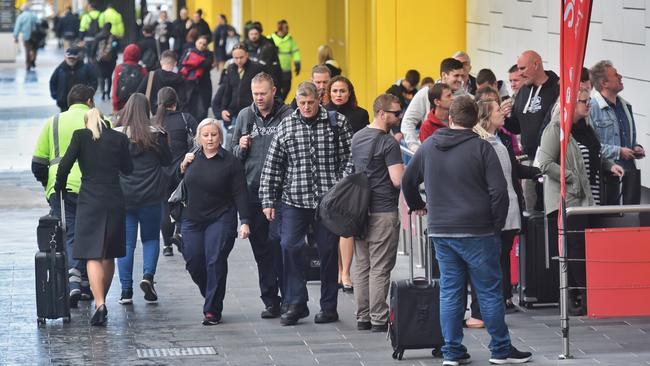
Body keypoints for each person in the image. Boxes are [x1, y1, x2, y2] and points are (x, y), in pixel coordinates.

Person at [401, 95, 533, 365]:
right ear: (475, 121)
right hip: (479, 231)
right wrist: (495, 225)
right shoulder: (483, 148)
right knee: (488, 292)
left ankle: (452, 352)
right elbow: (499, 193)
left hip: (441, 231)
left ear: (450, 118)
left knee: (450, 291)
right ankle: (500, 350)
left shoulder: (429, 147)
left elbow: (407, 180)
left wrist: (419, 206)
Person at [259, 81, 353, 326]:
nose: (307, 107)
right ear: (297, 103)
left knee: (328, 251)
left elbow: (350, 158)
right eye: (302, 103)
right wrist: (268, 200)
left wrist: (339, 185)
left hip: (328, 201)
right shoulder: (286, 125)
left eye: (311, 102)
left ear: (319, 99)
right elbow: (273, 166)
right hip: (294, 199)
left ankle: (329, 306)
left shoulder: (337, 123)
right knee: (289, 246)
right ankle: (296, 302)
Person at [538, 88, 624, 316]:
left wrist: (608, 165)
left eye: (587, 101)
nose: (588, 105)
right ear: (569, 104)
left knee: (586, 249)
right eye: (583, 101)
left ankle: (586, 294)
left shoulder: (587, 129)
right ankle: (576, 295)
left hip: (590, 199)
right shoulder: (556, 128)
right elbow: (545, 163)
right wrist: (570, 177)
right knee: (575, 249)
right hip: (568, 201)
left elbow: (593, 156)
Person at [54, 108, 133, 326]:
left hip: (89, 200)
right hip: (113, 198)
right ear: (105, 122)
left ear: (87, 122)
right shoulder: (119, 138)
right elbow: (128, 169)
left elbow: (65, 165)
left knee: (92, 254)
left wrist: (59, 187)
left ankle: (100, 303)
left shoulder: (80, 136)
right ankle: (102, 300)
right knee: (109, 254)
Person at [469, 92, 541, 325]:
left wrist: (538, 171)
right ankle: (485, 307)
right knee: (491, 259)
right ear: (487, 117)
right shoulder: (480, 142)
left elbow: (514, 169)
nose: (503, 112)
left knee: (502, 255)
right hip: (494, 211)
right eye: (498, 110)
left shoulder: (502, 140)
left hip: (510, 207)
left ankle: (500, 301)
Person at [230, 72, 292, 318]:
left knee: (280, 244)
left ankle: (289, 297)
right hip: (252, 192)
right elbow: (232, 156)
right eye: (255, 94)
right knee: (261, 250)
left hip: (280, 192)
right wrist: (240, 146)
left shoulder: (287, 116)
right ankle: (270, 299)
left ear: (274, 91)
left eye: (263, 94)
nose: (259, 99)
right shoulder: (245, 116)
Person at [179, 118, 251, 325]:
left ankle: (212, 309)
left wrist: (244, 221)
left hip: (221, 218)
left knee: (215, 260)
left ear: (221, 136)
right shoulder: (192, 157)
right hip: (192, 219)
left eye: (214, 134)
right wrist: (183, 166)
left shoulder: (231, 162)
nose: (210, 139)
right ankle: (212, 293)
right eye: (206, 135)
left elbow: (240, 193)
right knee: (194, 262)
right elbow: (175, 182)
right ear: (199, 137)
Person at [33, 85, 97, 308]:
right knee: (91, 234)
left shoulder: (53, 122)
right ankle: (86, 283)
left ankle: (74, 282)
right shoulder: (99, 119)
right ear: (89, 101)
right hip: (93, 185)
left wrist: (48, 185)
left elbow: (38, 163)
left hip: (61, 187)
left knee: (70, 234)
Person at [351, 94, 404, 332]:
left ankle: (363, 317)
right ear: (382, 114)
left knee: (362, 265)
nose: (399, 116)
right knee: (381, 267)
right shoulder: (389, 142)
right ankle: (379, 318)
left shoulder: (358, 137)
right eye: (395, 112)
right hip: (383, 210)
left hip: (360, 210)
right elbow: (397, 180)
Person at [114, 93, 172, 305]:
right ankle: (148, 277)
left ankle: (126, 291)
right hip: (151, 195)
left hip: (124, 196)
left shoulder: (116, 135)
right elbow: (167, 160)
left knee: (126, 245)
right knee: (150, 239)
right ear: (147, 110)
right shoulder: (157, 134)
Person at [323, 75, 369, 292]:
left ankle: (345, 272)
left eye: (342, 91)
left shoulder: (360, 115)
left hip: (352, 175)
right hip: (327, 174)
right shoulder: (322, 113)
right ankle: (338, 271)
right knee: (331, 226)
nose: (338, 95)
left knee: (346, 225)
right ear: (329, 93)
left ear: (350, 92)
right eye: (335, 91)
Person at [504, 50, 560, 212]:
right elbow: (516, 127)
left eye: (522, 69)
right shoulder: (523, 91)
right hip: (530, 161)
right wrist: (504, 119)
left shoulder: (556, 88)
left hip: (553, 161)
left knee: (551, 209)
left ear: (536, 65)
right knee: (532, 210)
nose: (520, 74)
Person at [589, 60, 645, 205]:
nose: (620, 76)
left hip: (630, 174)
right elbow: (591, 147)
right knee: (611, 221)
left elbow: (626, 139)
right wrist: (618, 151)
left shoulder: (626, 106)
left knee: (632, 220)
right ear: (604, 83)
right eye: (615, 74)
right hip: (608, 175)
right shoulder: (592, 108)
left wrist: (636, 147)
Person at [153, 87, 198, 257]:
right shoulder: (185, 119)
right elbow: (198, 140)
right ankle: (179, 232)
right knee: (183, 202)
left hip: (160, 172)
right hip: (183, 168)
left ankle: (166, 245)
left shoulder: (153, 123)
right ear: (175, 102)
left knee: (165, 206)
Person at [401, 57, 466, 152]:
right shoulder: (426, 93)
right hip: (431, 154)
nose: (460, 79)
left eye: (462, 76)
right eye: (456, 75)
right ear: (444, 75)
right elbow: (408, 121)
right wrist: (415, 148)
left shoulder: (466, 98)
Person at [216, 43, 264, 126]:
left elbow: (264, 90)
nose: (239, 60)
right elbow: (227, 91)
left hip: (252, 111)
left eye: (241, 57)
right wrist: (223, 109)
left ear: (247, 55)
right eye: (236, 58)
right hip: (233, 112)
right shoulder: (230, 68)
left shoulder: (257, 68)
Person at [137, 50, 187, 115]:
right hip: (174, 116)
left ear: (161, 62)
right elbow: (183, 101)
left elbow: (139, 94)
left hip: (154, 116)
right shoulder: (181, 79)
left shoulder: (151, 75)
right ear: (175, 63)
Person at [50, 47, 99, 112]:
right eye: (69, 58)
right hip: (64, 102)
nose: (71, 60)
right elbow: (52, 82)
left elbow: (94, 80)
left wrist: (90, 92)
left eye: (73, 58)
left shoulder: (85, 68)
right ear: (65, 58)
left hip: (81, 101)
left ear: (77, 58)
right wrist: (56, 95)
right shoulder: (60, 69)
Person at [180, 35, 214, 121]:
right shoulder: (188, 51)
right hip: (189, 84)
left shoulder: (209, 54)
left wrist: (192, 62)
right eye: (200, 43)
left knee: (202, 109)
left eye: (204, 44)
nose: (201, 45)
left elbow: (207, 64)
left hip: (203, 85)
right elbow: (181, 63)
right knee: (188, 106)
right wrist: (198, 61)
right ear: (196, 42)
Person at [269, 20, 301, 100]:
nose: (288, 29)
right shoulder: (270, 39)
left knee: (287, 88)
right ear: (280, 28)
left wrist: (297, 63)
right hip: (275, 69)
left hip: (286, 69)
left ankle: (280, 102)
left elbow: (295, 52)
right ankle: (277, 103)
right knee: (275, 88)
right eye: (286, 27)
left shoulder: (290, 40)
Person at [243, 22, 282, 87]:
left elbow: (262, 63)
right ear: (248, 35)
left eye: (255, 34)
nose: (254, 36)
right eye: (251, 34)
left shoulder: (267, 45)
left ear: (260, 34)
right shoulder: (244, 45)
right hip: (250, 78)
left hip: (267, 76)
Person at [112, 44, 147, 113]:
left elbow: (115, 88)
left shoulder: (119, 68)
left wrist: (115, 106)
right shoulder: (143, 70)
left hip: (121, 107)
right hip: (137, 107)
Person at [92, 23, 118, 101]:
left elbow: (94, 47)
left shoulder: (98, 36)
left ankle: (102, 92)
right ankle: (108, 93)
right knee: (109, 76)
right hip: (111, 60)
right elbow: (116, 47)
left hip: (100, 60)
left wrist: (92, 57)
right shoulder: (113, 37)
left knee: (101, 76)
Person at [13, 4, 39, 71]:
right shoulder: (34, 15)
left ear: (22, 9)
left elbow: (17, 27)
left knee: (27, 50)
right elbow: (39, 23)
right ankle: (33, 59)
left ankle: (28, 64)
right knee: (34, 49)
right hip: (35, 36)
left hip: (26, 36)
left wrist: (15, 36)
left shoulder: (21, 17)